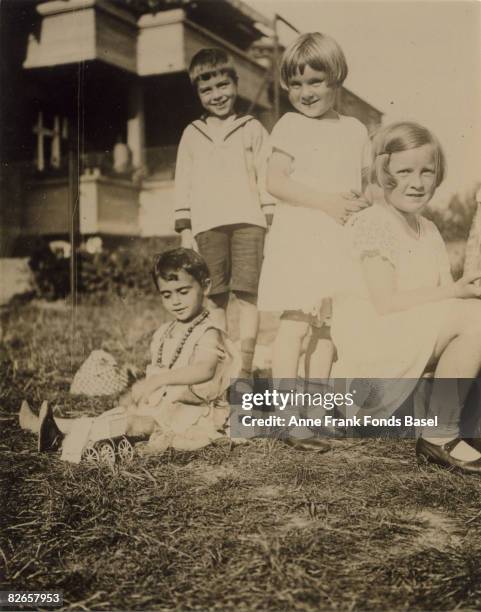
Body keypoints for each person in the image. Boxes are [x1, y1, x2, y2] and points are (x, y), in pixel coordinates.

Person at [330, 121, 481, 473]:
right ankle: (439, 436)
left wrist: (467, 292)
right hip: (372, 353)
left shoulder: (428, 229)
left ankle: (462, 423)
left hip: (406, 341)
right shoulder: (374, 222)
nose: (417, 182)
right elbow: (385, 303)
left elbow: (450, 304)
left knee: (474, 312)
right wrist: (457, 292)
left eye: (427, 171)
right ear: (384, 174)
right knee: (473, 317)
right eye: (404, 171)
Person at [19, 248, 241, 462]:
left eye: (183, 292)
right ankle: (55, 429)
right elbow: (162, 373)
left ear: (205, 287)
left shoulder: (209, 332)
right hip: (167, 407)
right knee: (119, 416)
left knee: (132, 423)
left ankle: (58, 432)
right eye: (167, 294)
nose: (175, 301)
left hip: (193, 414)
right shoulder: (166, 332)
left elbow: (205, 369)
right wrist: (140, 394)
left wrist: (156, 381)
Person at [258, 32, 370, 385]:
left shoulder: (355, 130)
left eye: (315, 81)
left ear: (335, 78)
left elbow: (365, 187)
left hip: (339, 242)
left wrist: (362, 203)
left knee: (328, 330)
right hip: (301, 239)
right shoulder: (290, 125)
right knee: (295, 324)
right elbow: (275, 181)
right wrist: (327, 203)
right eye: (295, 83)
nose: (305, 92)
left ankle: (317, 411)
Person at [174, 48, 275, 381]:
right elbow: (183, 182)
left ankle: (244, 370)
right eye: (207, 89)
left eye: (222, 85)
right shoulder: (191, 133)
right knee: (215, 298)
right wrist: (185, 229)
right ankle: (217, 368)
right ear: (198, 93)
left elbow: (266, 177)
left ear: (235, 83)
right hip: (207, 227)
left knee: (247, 295)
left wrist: (271, 221)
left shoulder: (252, 128)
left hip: (249, 223)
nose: (216, 95)